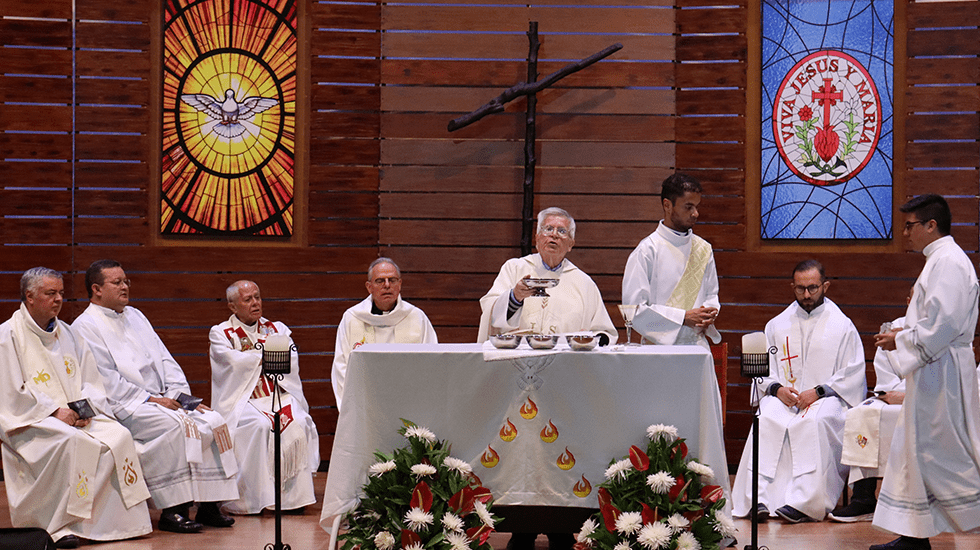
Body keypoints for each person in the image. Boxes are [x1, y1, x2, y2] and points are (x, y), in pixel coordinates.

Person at [71, 260, 239, 533]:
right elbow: (105, 380)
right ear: (96, 289)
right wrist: (151, 400)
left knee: (213, 420)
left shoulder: (135, 315)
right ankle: (173, 510)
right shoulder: (85, 326)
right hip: (126, 405)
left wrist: (181, 395)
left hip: (161, 398)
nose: (125, 286)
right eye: (117, 282)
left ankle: (209, 504)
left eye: (126, 281)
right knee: (175, 427)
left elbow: (164, 357)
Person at [0, 267, 152, 549]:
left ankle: (116, 525)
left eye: (60, 293)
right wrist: (55, 412)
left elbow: (90, 380)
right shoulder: (8, 336)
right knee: (74, 442)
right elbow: (10, 393)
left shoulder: (68, 334)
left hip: (75, 417)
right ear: (30, 296)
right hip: (31, 421)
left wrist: (83, 411)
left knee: (120, 436)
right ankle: (59, 526)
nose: (58, 299)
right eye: (50, 293)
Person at [869, 194, 980, 550]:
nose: (905, 233)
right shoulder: (940, 260)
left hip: (942, 373)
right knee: (915, 453)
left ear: (931, 225)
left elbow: (944, 326)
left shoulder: (948, 262)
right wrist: (902, 335)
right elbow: (935, 322)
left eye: (910, 225)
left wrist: (900, 342)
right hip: (933, 370)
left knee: (945, 455)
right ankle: (913, 538)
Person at [731, 260, 866, 523]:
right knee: (767, 418)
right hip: (786, 398)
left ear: (825, 286)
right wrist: (777, 389)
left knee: (814, 422)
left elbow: (852, 372)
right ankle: (757, 499)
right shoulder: (777, 325)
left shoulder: (842, 326)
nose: (806, 295)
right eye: (800, 289)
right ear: (792, 287)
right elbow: (762, 372)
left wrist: (818, 391)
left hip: (827, 398)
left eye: (813, 288)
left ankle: (805, 503)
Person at [209, 280, 319, 514]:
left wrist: (252, 356)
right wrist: (265, 355)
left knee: (297, 422)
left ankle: (292, 499)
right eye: (247, 299)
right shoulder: (221, 332)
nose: (255, 303)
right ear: (232, 306)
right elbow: (230, 363)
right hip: (243, 400)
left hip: (278, 393)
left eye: (257, 297)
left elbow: (289, 358)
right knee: (260, 425)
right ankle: (254, 499)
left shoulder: (277, 328)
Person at [828, 291, 911, 523]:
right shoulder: (894, 327)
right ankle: (863, 499)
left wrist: (906, 395)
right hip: (893, 395)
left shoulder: (934, 329)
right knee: (862, 414)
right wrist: (893, 393)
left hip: (928, 400)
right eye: (915, 298)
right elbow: (884, 369)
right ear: (908, 301)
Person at [477, 207, 617, 345]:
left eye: (562, 231)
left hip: (564, 362)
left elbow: (604, 334)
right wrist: (515, 297)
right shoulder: (514, 268)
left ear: (570, 244)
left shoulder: (584, 283)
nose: (554, 235)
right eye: (548, 229)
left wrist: (587, 339)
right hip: (517, 358)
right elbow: (490, 310)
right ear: (537, 239)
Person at [623, 173, 720, 349]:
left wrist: (708, 313)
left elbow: (712, 295)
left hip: (697, 347)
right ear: (667, 205)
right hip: (658, 349)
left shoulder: (703, 249)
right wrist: (683, 317)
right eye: (688, 207)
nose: (695, 213)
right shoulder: (647, 250)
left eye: (697, 207)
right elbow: (634, 310)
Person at [331, 258, 438, 412]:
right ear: (369, 287)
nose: (387, 285)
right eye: (380, 281)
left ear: (400, 284)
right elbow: (341, 366)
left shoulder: (416, 317)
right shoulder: (352, 318)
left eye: (392, 280)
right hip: (365, 406)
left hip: (410, 405)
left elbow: (432, 363)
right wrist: (351, 409)